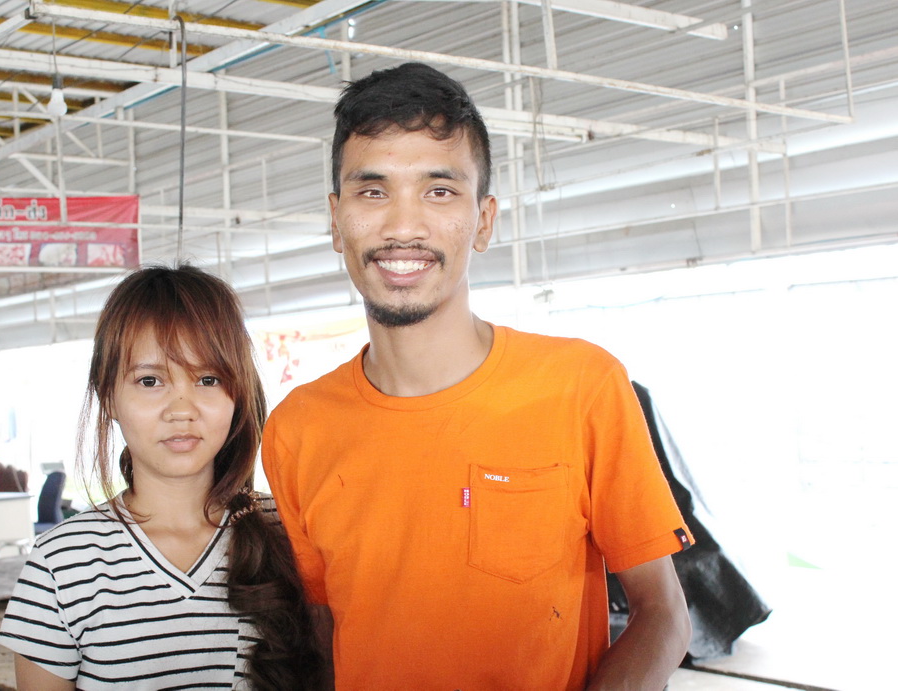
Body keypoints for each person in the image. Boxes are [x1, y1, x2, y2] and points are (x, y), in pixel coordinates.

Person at [261, 62, 694, 690]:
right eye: (373, 191)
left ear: (484, 221)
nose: (402, 227)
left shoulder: (582, 386)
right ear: (335, 219)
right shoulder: (297, 428)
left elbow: (663, 614)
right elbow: (325, 635)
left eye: (439, 191)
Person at [0, 264, 323, 690]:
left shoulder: (288, 532)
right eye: (150, 380)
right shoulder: (61, 564)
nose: (181, 409)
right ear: (108, 396)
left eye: (209, 379)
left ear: (238, 393)